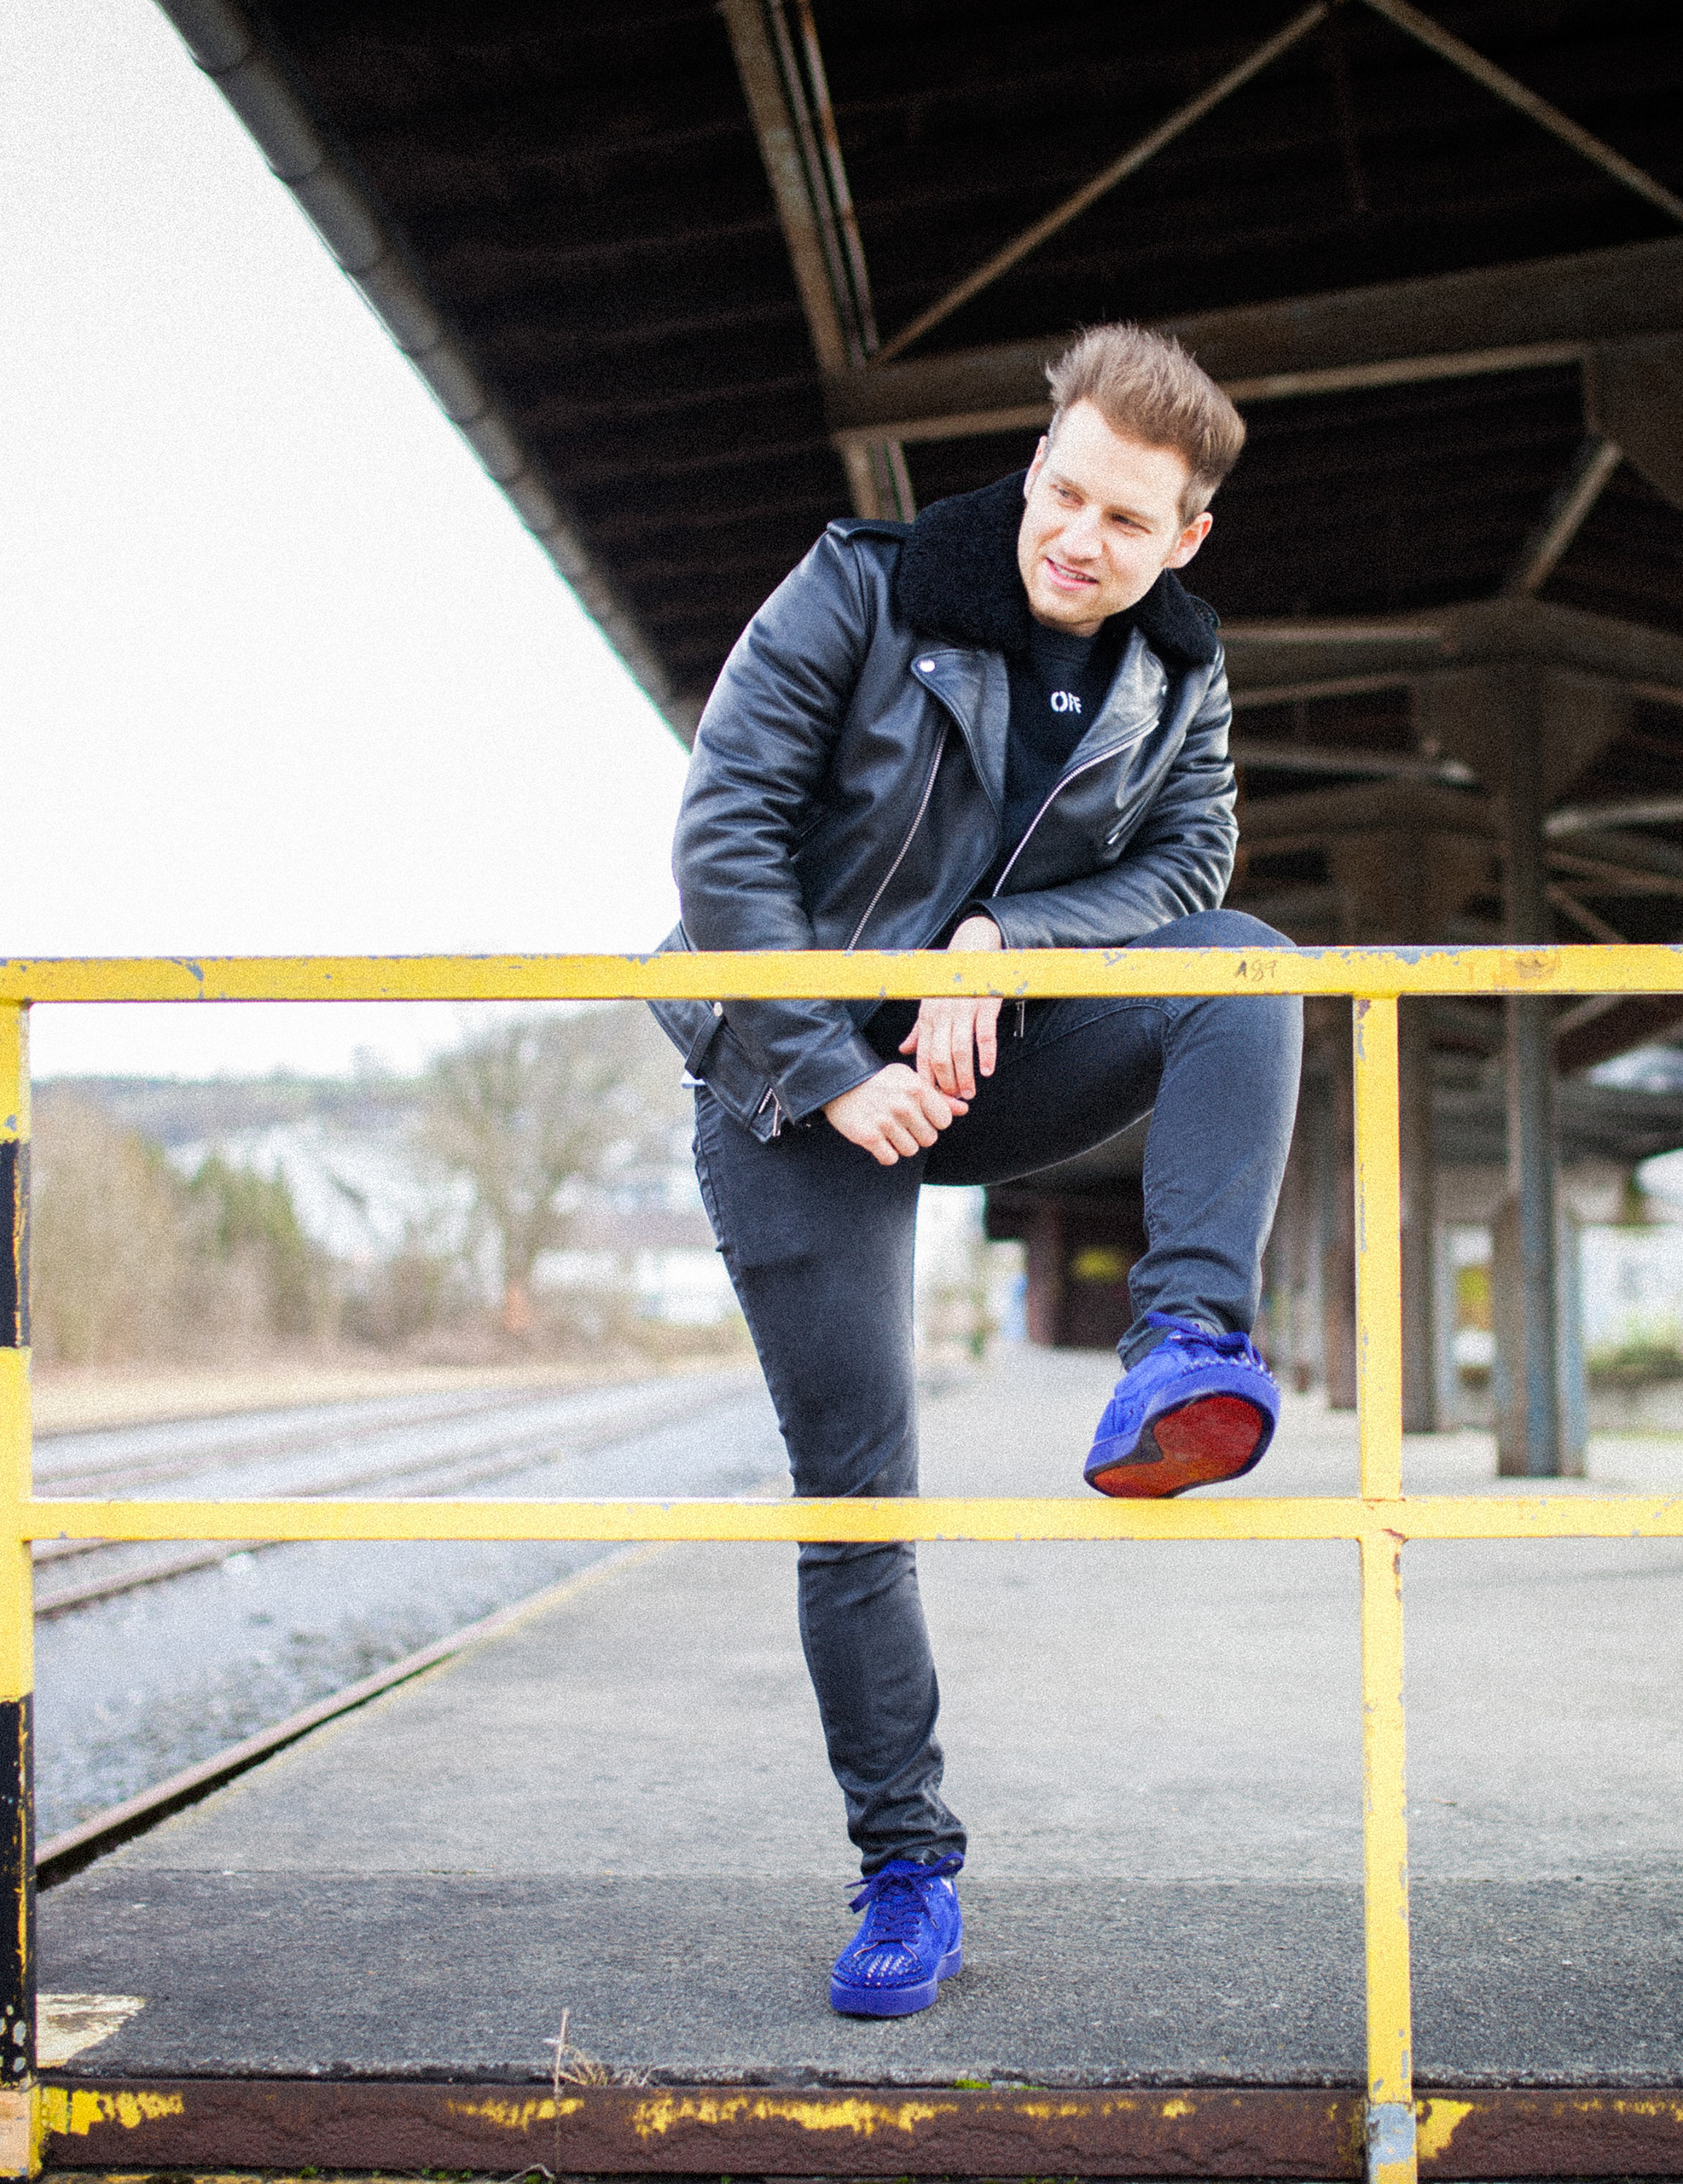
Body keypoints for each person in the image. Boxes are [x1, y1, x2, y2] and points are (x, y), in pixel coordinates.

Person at [649, 324, 1302, 2019]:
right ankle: (905, 1869)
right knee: (862, 1490)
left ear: (1188, 536)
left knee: (1249, 963)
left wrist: (1001, 942)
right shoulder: (862, 590)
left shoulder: (1178, 671)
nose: (1078, 537)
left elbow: (1194, 859)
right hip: (787, 1083)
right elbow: (724, 833)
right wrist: (827, 1067)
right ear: (1036, 466)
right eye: (1062, 492)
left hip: (982, 1056)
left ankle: (1185, 1345)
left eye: (1127, 519)